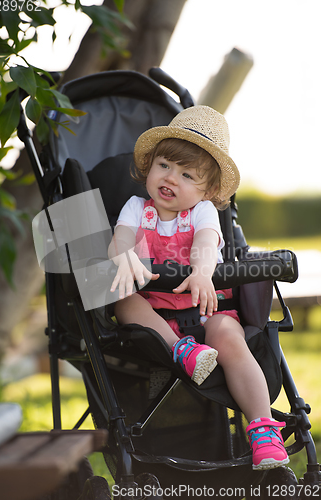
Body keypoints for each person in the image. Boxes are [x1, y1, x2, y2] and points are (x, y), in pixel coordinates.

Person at [108, 105, 289, 471]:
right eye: (164, 166)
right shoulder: (135, 207)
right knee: (124, 301)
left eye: (187, 174)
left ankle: (262, 427)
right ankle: (182, 351)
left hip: (206, 306)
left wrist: (204, 270)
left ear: (208, 190)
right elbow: (120, 239)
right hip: (156, 312)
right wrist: (122, 255)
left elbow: (206, 244)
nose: (171, 178)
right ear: (149, 167)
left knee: (231, 339)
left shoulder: (203, 213)